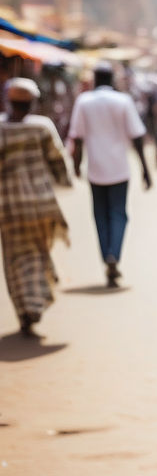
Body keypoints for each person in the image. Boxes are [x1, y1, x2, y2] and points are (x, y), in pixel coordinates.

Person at [68, 62, 152, 287]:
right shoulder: (122, 101)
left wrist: (76, 165)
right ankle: (114, 253)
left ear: (95, 79)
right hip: (119, 169)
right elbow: (136, 136)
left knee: (100, 215)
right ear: (112, 80)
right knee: (118, 214)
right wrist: (145, 168)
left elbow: (77, 137)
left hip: (95, 169)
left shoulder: (84, 101)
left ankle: (107, 256)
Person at [0, 78, 71, 336]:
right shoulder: (42, 127)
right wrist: (65, 181)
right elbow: (58, 160)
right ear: (31, 103)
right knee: (39, 253)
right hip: (40, 204)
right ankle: (36, 301)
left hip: (7, 207)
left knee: (13, 259)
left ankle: (24, 309)